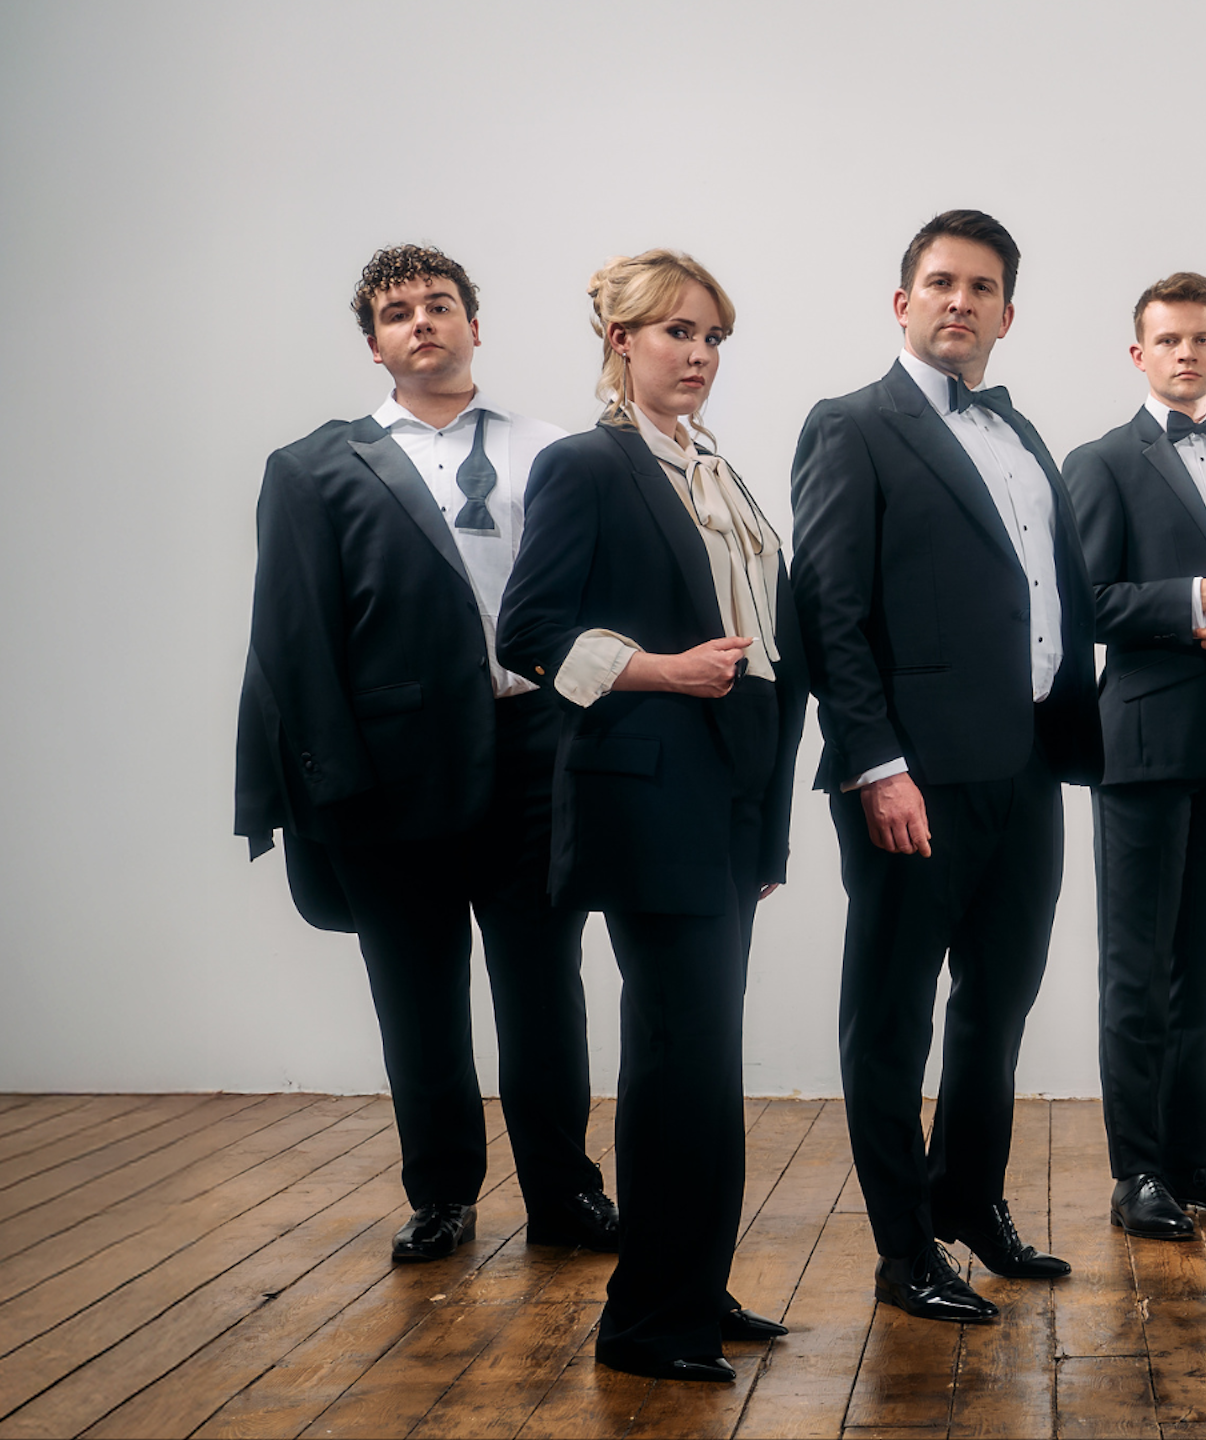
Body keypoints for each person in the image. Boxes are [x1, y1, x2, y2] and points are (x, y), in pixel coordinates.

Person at [234, 244, 614, 1268]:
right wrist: (325, 786)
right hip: (391, 776)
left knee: (544, 989)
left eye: (440, 305)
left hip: (536, 753)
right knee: (417, 997)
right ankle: (441, 1194)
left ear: (474, 325)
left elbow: (593, 604)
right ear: (374, 344)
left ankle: (566, 1192)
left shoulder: (558, 450)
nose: (421, 323)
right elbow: (295, 642)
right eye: (397, 313)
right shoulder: (315, 468)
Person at [495, 250, 807, 1382]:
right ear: (620, 341)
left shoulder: (719, 472)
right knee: (676, 1061)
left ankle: (691, 1285)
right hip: (645, 802)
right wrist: (660, 672)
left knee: (705, 1062)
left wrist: (765, 826)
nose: (699, 354)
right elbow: (526, 633)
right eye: (678, 332)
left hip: (724, 803)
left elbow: (768, 650)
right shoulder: (589, 465)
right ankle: (642, 1327)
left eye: (714, 337)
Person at [790, 210, 1103, 1324]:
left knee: (998, 1004)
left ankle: (967, 1199)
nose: (958, 302)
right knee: (892, 1017)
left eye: (980, 288)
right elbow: (827, 609)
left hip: (1026, 764)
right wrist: (875, 763)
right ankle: (903, 1247)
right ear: (901, 302)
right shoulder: (851, 426)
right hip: (911, 773)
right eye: (938, 282)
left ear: (1007, 314)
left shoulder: (1022, 436)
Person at [1063, 272, 1206, 1242]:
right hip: (1144, 746)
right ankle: (1137, 1174)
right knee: (1137, 971)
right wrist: (1198, 599)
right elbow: (1086, 604)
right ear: (1139, 354)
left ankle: (1193, 1159)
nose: (1186, 353)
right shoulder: (1101, 461)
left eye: (1202, 339)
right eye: (1168, 340)